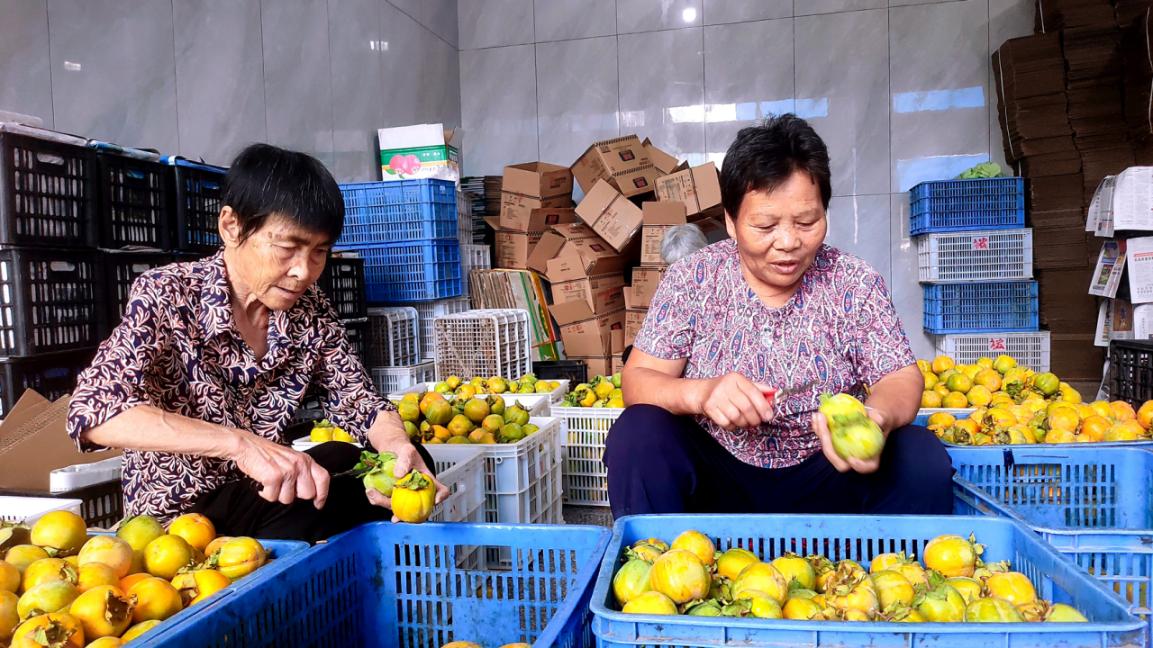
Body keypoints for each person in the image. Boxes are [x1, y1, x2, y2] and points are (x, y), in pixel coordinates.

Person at [66, 143, 446, 542]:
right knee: (305, 516)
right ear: (231, 226)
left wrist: (396, 450)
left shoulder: (308, 308)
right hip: (184, 521)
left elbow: (359, 401)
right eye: (287, 248)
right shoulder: (168, 294)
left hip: (265, 493)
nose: (303, 272)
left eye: (319, 252)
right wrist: (240, 446)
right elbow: (94, 413)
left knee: (402, 466)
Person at [603, 114, 952, 518]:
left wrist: (876, 417)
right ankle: (661, 570)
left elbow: (900, 376)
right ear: (731, 223)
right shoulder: (693, 277)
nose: (788, 243)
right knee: (638, 434)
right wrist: (702, 393)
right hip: (719, 480)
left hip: (830, 476)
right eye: (765, 225)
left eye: (807, 222)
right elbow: (638, 380)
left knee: (920, 456)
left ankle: (892, 575)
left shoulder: (854, 280)